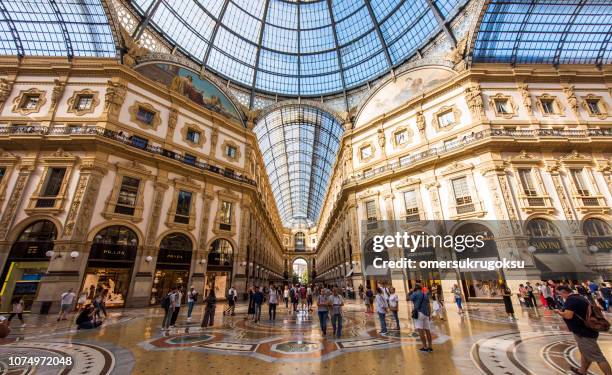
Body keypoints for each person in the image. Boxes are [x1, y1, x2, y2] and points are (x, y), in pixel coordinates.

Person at [554, 285, 612, 375]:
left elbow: (568, 315)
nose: (560, 296)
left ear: (563, 292)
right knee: (584, 352)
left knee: (598, 357)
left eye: (559, 294)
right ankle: (582, 371)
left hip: (584, 332)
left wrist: (559, 312)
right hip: (588, 329)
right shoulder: (580, 297)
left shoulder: (571, 300)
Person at [411, 284, 432, 352]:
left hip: (419, 313)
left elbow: (408, 298)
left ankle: (425, 347)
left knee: (420, 330)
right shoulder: (425, 294)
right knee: (427, 330)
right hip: (426, 313)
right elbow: (429, 305)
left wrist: (411, 291)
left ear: (415, 288)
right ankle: (430, 346)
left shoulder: (415, 294)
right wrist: (429, 314)